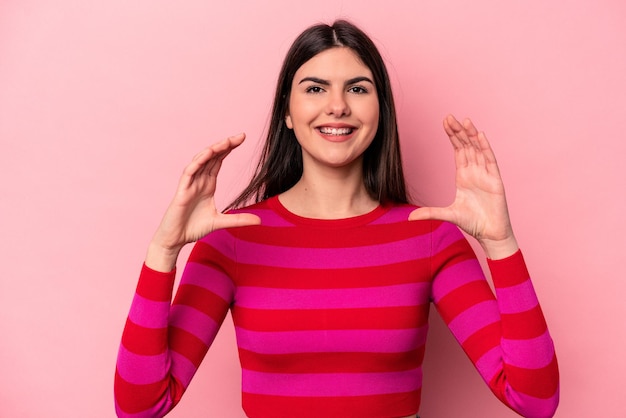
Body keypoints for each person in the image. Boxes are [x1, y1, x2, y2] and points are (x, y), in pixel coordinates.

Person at [114, 20, 559, 418]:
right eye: (314, 88)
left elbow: (534, 400)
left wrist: (501, 244)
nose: (338, 106)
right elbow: (140, 405)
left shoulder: (430, 236)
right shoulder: (232, 238)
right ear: (287, 113)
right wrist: (163, 252)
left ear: (379, 111)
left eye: (358, 88)